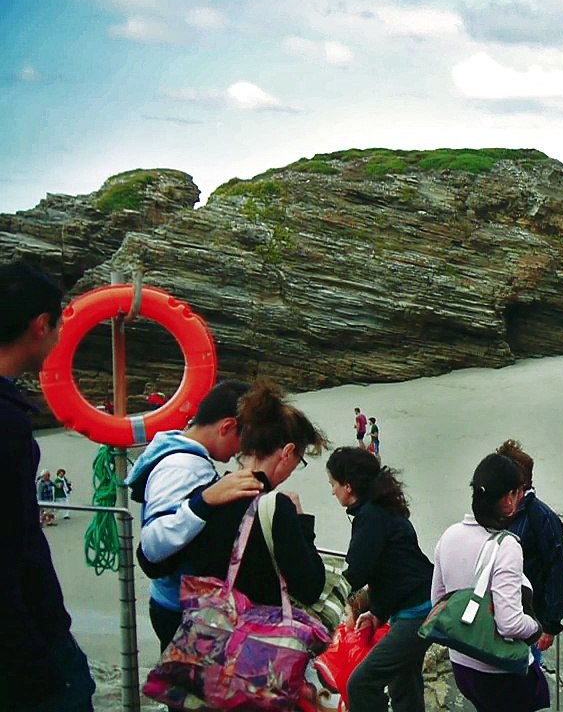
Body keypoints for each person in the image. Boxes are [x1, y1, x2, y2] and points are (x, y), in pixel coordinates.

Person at [0, 261, 97, 710]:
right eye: (58, 326)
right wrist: (36, 665)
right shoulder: (8, 423)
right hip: (27, 649)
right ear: (41, 326)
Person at [128, 380, 264, 649]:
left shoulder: (179, 451)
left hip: (173, 600)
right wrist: (204, 501)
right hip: (179, 607)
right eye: (243, 441)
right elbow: (153, 545)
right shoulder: (183, 467)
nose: (241, 451)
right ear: (226, 427)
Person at [180, 382, 328, 610]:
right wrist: (302, 522)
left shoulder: (210, 494)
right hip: (258, 637)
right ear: (287, 452)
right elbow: (310, 587)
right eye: (298, 461)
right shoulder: (275, 507)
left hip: (213, 629)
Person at [432, 453, 548, 712]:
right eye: (519, 493)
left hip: (462, 666)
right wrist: (536, 628)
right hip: (500, 671)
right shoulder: (507, 546)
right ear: (508, 498)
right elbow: (509, 624)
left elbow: (438, 600)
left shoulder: (449, 535)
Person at [326, 448, 436, 712]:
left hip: (417, 613)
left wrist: (322, 603)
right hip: (418, 604)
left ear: (349, 486)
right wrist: (376, 612)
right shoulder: (381, 509)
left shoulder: (371, 517)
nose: (332, 491)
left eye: (333, 484)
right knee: (404, 684)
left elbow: (356, 572)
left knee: (361, 685)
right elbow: (390, 569)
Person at [497, 440, 563, 663]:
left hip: (531, 617)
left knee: (525, 676)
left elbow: (556, 572)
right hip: (499, 612)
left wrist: (550, 625)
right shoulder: (498, 512)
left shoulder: (543, 518)